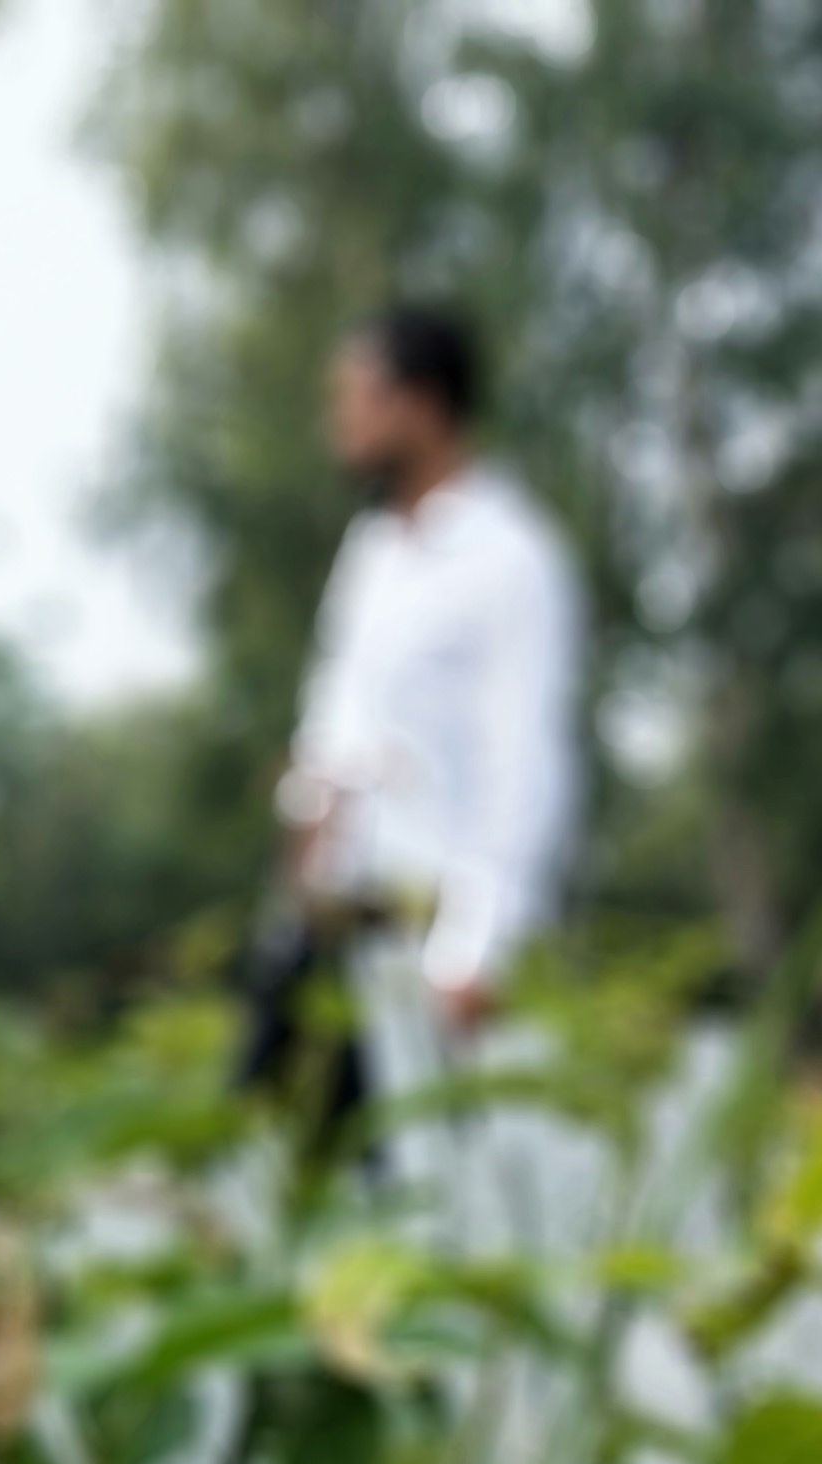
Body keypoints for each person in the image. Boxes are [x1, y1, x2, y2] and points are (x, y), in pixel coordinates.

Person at [243, 305, 584, 1131]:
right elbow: (333, 726)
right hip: (323, 932)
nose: (340, 421)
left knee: (407, 1203)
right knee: (258, 1168)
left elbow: (525, 762)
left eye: (356, 397)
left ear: (422, 405)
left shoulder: (512, 558)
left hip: (424, 948)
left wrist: (476, 947)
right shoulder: (373, 555)